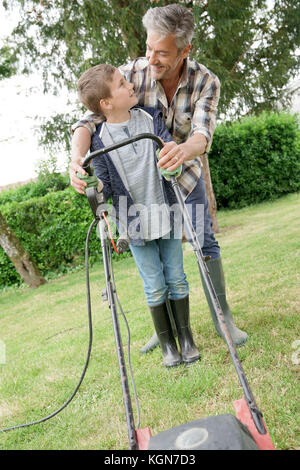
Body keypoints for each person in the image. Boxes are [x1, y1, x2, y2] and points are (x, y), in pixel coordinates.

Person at [69, 4, 248, 349]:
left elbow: (202, 135)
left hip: (185, 177)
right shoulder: (132, 74)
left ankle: (222, 316)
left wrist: (183, 150)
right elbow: (87, 121)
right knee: (151, 255)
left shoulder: (206, 82)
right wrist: (77, 159)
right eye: (149, 48)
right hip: (142, 188)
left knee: (203, 242)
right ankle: (163, 326)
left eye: (161, 52)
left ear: (184, 51)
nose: (150, 58)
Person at [76, 63, 201, 367]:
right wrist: (96, 187)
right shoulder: (99, 142)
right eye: (121, 84)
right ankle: (168, 344)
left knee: (176, 277)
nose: (130, 85)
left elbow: (167, 148)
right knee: (154, 284)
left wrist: (172, 159)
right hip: (133, 223)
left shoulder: (150, 118)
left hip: (166, 212)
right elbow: (103, 184)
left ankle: (186, 338)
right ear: (106, 103)